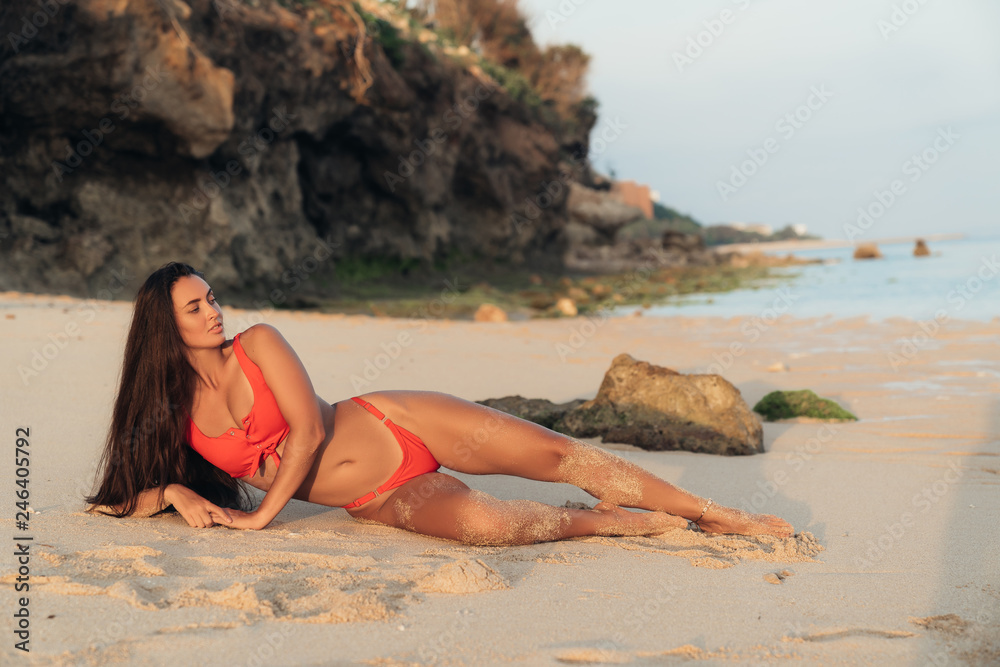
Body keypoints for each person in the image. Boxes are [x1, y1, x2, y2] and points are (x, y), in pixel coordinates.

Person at [86, 262, 794, 545]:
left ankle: (715, 513)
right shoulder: (170, 414)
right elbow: (119, 499)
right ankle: (610, 524)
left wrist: (258, 517)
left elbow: (304, 432)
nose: (213, 310)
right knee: (496, 525)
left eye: (211, 297)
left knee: (558, 454)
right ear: (164, 324)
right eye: (195, 305)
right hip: (374, 496)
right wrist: (175, 487)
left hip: (398, 421)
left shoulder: (259, 343)